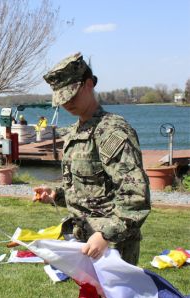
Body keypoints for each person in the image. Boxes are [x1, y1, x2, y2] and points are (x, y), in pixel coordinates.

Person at [34, 52, 150, 265]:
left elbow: (135, 195)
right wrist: (57, 194)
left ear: (89, 84)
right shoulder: (77, 131)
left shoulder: (111, 131)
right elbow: (90, 188)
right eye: (62, 98)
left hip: (113, 248)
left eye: (71, 95)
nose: (66, 103)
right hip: (85, 242)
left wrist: (105, 235)